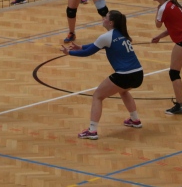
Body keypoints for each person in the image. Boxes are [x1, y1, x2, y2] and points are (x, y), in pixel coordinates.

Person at [61, 10, 143, 140]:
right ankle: (135, 120)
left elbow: (88, 52)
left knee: (97, 96)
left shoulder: (106, 36)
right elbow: (95, 45)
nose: (103, 18)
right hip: (138, 74)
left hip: (124, 75)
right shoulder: (121, 33)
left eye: (106, 17)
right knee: (123, 91)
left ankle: (92, 130)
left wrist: (69, 53)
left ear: (110, 22)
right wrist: (81, 47)